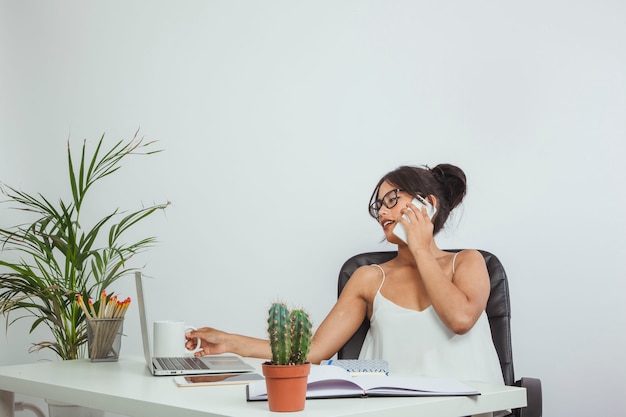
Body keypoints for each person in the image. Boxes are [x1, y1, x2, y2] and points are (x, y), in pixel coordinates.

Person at [186, 164, 504, 389]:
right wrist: (230, 342)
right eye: (378, 205)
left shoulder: (469, 262)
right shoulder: (368, 278)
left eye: (392, 200)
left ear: (428, 204)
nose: (381, 213)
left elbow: (460, 319)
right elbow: (313, 352)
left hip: (467, 410)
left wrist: (420, 247)